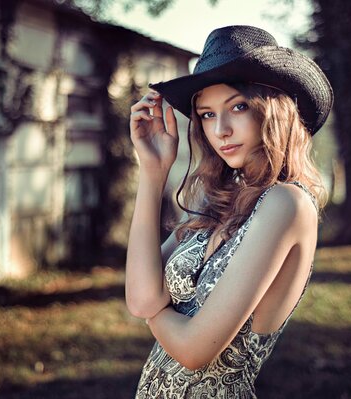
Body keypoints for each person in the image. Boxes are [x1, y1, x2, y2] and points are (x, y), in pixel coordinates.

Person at [126, 25, 333, 398]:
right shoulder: (217, 202)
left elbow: (193, 350)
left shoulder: (287, 203)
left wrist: (154, 308)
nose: (220, 130)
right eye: (206, 114)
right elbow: (138, 299)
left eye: (238, 107)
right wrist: (152, 174)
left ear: (273, 111)